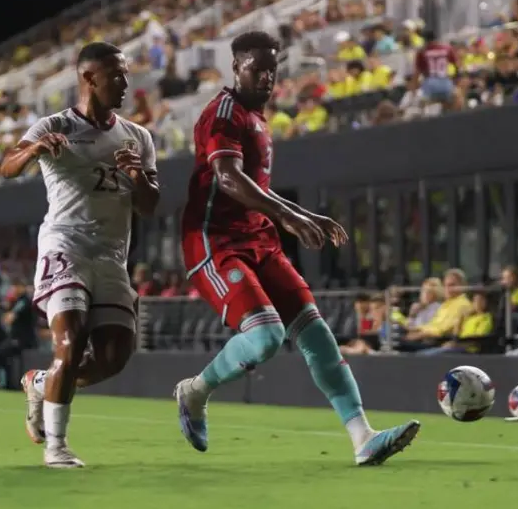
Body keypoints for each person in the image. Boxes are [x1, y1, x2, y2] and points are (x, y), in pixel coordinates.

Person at [173, 31, 419, 467]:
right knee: (266, 337)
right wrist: (289, 217)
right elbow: (229, 179)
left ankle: (363, 437)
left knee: (317, 334)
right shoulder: (223, 113)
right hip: (215, 241)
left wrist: (302, 213)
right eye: (257, 68)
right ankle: (194, 392)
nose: (266, 77)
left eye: (272, 69)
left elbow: (257, 188)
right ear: (236, 67)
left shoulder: (259, 118)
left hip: (259, 240)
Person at [0, 41, 160, 468]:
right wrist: (33, 150)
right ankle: (57, 446)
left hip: (111, 256)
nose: (126, 83)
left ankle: (41, 383)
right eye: (117, 75)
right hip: (65, 246)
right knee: (69, 342)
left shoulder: (138, 137)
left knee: (113, 357)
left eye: (126, 74)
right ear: (89, 78)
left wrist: (137, 175)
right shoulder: (54, 125)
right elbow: (6, 165)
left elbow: (149, 205)